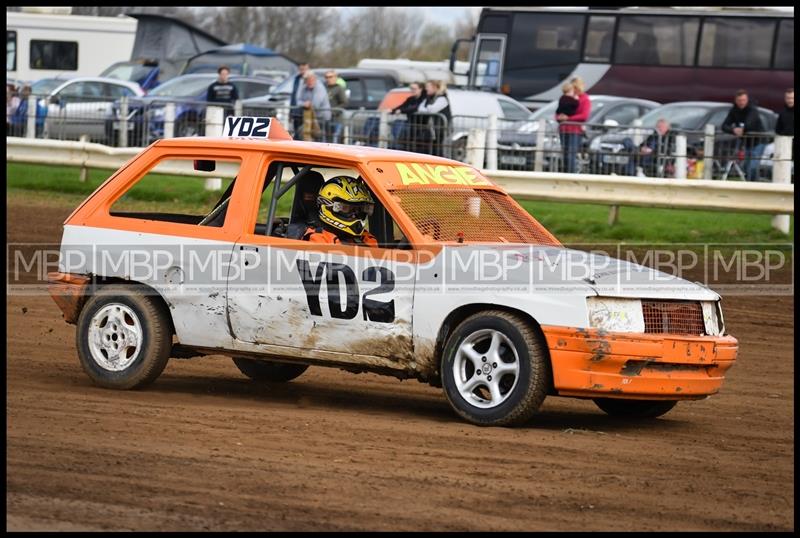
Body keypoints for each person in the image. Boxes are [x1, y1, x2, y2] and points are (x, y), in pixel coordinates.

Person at [302, 175, 378, 247]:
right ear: (328, 206)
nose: (354, 215)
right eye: (346, 208)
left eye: (359, 209)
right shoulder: (318, 238)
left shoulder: (366, 238)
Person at [721, 89, 766, 181]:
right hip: (747, 143)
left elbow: (749, 123)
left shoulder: (752, 109)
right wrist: (734, 130)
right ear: (736, 100)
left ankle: (754, 186)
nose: (741, 102)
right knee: (746, 167)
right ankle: (753, 185)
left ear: (747, 99)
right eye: (739, 100)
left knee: (752, 166)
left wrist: (742, 130)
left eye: (743, 100)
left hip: (758, 141)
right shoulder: (734, 110)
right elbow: (724, 126)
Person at [556, 76, 590, 173]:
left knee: (571, 154)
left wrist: (568, 119)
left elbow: (584, 116)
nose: (573, 90)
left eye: (575, 88)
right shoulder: (567, 97)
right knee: (565, 154)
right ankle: (566, 173)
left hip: (575, 131)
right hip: (564, 129)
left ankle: (571, 175)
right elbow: (559, 110)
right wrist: (559, 118)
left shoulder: (585, 99)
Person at [417, 80, 451, 157]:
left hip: (440, 129)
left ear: (435, 88)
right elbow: (420, 108)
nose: (426, 89)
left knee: (439, 148)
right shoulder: (428, 98)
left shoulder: (442, 99)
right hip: (432, 129)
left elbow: (432, 110)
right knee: (431, 148)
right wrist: (427, 109)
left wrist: (427, 109)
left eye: (428, 87)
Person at [391, 81, 426, 151]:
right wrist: (393, 110)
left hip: (420, 124)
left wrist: (401, 110)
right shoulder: (411, 99)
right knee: (397, 123)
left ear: (421, 89)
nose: (412, 90)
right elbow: (402, 106)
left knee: (401, 127)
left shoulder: (424, 98)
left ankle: (398, 145)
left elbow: (416, 108)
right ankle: (397, 145)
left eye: (414, 89)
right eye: (411, 88)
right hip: (411, 122)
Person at [299, 72, 331, 142]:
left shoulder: (319, 87)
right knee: (301, 132)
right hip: (310, 118)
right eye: (307, 80)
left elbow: (316, 104)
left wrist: (307, 104)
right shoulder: (304, 88)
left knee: (321, 137)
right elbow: (298, 101)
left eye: (311, 80)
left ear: (315, 79)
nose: (310, 82)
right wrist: (304, 103)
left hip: (322, 118)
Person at [324, 70, 347, 143]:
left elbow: (344, 103)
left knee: (335, 140)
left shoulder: (339, 88)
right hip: (326, 119)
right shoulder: (324, 88)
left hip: (337, 119)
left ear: (335, 77)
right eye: (326, 77)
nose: (328, 79)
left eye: (330, 77)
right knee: (327, 140)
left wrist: (333, 111)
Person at [289, 62, 310, 138]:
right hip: (296, 111)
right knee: (296, 132)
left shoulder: (311, 79)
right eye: (301, 69)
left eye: (305, 69)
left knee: (304, 134)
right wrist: (291, 111)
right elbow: (293, 95)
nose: (303, 71)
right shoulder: (296, 79)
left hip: (306, 111)